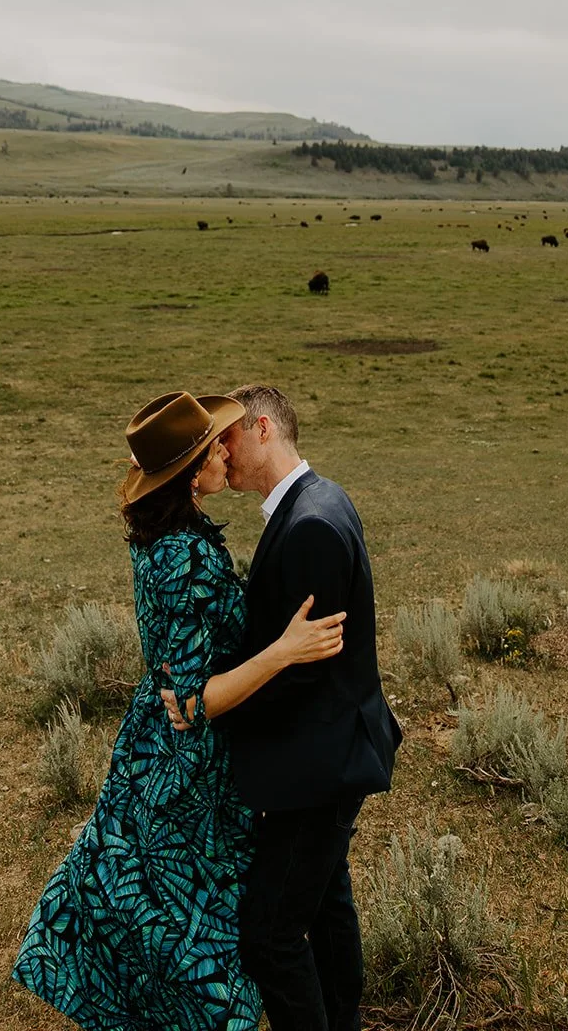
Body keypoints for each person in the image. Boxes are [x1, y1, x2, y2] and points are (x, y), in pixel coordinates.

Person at [12, 390, 346, 1031]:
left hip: (154, 744)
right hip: (186, 765)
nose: (226, 451)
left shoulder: (165, 533)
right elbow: (192, 703)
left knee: (153, 901)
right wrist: (284, 650)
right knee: (193, 922)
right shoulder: (182, 556)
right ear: (192, 473)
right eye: (213, 448)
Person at [165, 383, 401, 1031]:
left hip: (317, 765)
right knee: (326, 904)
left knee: (268, 936)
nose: (221, 451)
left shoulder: (309, 525)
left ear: (263, 429)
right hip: (325, 753)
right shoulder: (317, 500)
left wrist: (209, 705)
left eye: (229, 436)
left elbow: (303, 672)